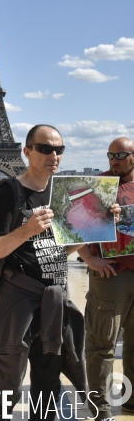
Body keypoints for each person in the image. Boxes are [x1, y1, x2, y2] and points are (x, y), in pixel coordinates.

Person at [0, 124, 92, 420]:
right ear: (26, 152)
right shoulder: (9, 192)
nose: (53, 154)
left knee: (49, 381)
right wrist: (27, 230)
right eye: (45, 148)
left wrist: (95, 227)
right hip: (19, 299)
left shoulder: (63, 193)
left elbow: (59, 252)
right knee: (6, 378)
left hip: (54, 298)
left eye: (59, 149)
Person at [80, 137, 134, 420]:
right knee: (102, 343)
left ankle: (131, 402)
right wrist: (90, 259)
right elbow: (69, 224)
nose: (114, 160)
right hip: (111, 274)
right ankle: (100, 408)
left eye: (121, 154)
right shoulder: (98, 185)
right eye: (110, 155)